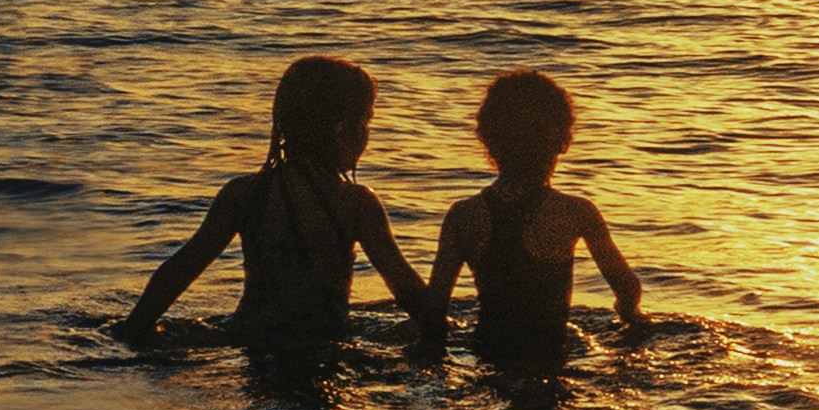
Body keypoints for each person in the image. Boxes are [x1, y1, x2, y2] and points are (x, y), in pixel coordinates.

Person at [116, 53, 435, 359]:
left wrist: (133, 329)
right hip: (324, 343)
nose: (367, 134)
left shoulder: (243, 194)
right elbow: (404, 285)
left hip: (251, 339)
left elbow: (181, 268)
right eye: (366, 121)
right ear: (341, 129)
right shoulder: (355, 203)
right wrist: (442, 333)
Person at [427, 69, 656, 371]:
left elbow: (434, 309)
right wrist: (629, 317)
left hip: (486, 354)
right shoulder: (576, 212)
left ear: (488, 141)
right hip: (550, 356)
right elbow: (626, 286)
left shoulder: (464, 215)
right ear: (562, 140)